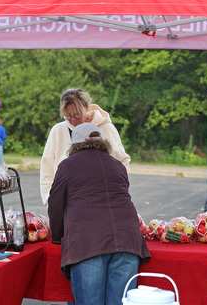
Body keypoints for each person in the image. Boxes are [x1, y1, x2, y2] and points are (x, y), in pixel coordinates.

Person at [48, 123, 150, 305]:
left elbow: (55, 204)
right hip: (128, 241)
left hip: (88, 243)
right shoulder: (117, 165)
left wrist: (57, 236)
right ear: (102, 143)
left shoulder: (68, 166)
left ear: (75, 145)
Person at [40, 88, 130, 206]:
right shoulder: (58, 130)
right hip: (66, 201)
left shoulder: (106, 128)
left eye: (77, 115)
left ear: (87, 106)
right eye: (67, 116)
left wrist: (116, 192)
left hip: (102, 200)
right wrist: (49, 199)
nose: (72, 120)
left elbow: (122, 162)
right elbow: (47, 167)